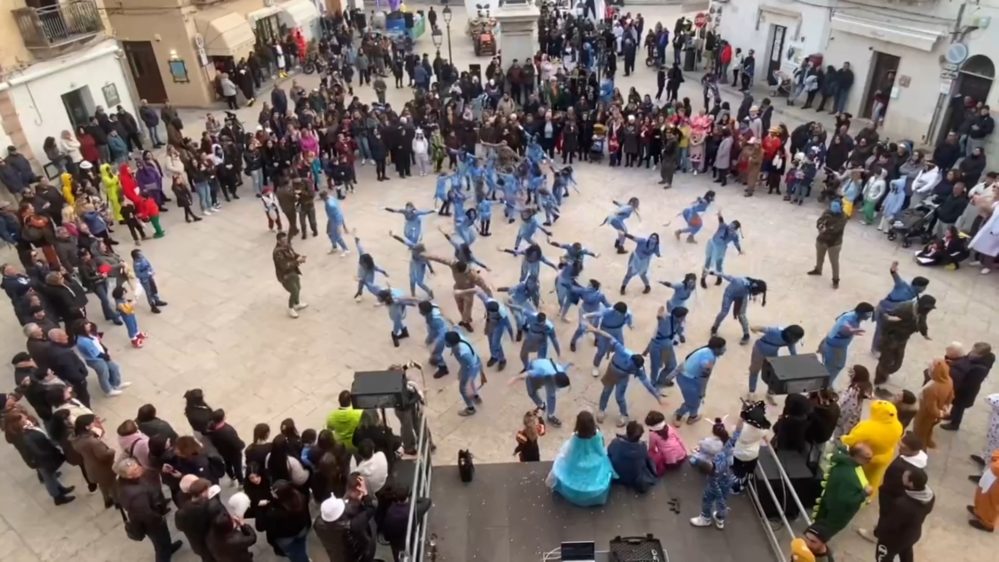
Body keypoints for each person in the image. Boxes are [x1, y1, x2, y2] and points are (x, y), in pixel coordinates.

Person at [856, 431, 927, 543]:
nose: (899, 447)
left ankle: (877, 534)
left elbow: (893, 484)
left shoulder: (903, 467)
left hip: (891, 495)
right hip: (896, 494)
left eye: (903, 447)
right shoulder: (916, 459)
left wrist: (883, 490)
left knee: (886, 514)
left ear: (912, 450)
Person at [586, 324, 663, 427]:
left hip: (622, 378)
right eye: (632, 365)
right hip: (611, 372)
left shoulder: (638, 369)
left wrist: (657, 396)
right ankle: (601, 410)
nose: (632, 367)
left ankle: (624, 415)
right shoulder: (622, 351)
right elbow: (609, 337)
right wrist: (595, 330)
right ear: (631, 359)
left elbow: (647, 384)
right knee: (606, 392)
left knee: (619, 397)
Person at [116, 457, 184, 560]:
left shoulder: (125, 481)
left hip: (152, 512)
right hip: (153, 524)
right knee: (161, 546)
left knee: (164, 539)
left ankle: (169, 547)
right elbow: (147, 515)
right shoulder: (136, 495)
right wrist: (159, 519)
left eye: (137, 466)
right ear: (129, 476)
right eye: (135, 470)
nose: (139, 469)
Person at [546, 410, 616, 507]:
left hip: (577, 460)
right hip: (593, 461)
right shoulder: (597, 436)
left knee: (561, 461)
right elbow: (600, 451)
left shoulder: (575, 437)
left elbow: (569, 452)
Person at [875, 294, 936, 396]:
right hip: (891, 338)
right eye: (927, 308)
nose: (928, 311)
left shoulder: (921, 312)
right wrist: (887, 334)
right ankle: (879, 382)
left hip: (903, 338)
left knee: (897, 363)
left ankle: (885, 373)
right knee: (886, 360)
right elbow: (886, 320)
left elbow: (922, 321)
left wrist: (924, 333)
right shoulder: (904, 308)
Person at [811, 443, 873, 538]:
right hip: (835, 514)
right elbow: (848, 500)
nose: (870, 461)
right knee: (823, 532)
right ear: (857, 456)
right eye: (867, 458)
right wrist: (864, 493)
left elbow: (840, 446)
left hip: (827, 501)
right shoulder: (852, 478)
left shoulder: (841, 461)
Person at [690, 417, 742, 530]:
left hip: (719, 484)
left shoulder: (713, 478)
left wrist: (722, 504)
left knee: (708, 499)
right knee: (722, 500)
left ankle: (705, 518)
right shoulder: (724, 452)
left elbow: (717, 492)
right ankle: (720, 519)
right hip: (728, 480)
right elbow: (735, 437)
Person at [873, 468, 934, 562]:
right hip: (913, 533)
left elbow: (891, 524)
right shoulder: (930, 496)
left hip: (893, 538)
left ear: (911, 483)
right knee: (905, 552)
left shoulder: (903, 505)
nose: (902, 476)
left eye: (905, 476)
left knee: (883, 557)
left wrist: (879, 531)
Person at [672, 336, 727, 426]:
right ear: (716, 349)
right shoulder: (709, 360)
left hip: (688, 377)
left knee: (696, 399)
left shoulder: (705, 349)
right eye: (723, 348)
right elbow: (704, 378)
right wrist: (702, 391)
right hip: (688, 381)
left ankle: (693, 416)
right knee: (691, 402)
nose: (725, 350)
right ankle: (678, 414)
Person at [943, 342, 995, 430]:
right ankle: (951, 415)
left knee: (959, 407)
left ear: (981, 355)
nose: (971, 353)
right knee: (956, 404)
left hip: (966, 391)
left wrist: (956, 385)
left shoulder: (980, 369)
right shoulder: (974, 358)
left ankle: (955, 424)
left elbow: (970, 382)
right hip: (962, 386)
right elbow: (965, 361)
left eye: (975, 352)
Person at [818, 302, 874, 385]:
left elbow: (838, 319)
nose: (869, 316)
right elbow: (844, 326)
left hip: (833, 344)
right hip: (835, 348)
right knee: (835, 367)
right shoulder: (850, 320)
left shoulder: (851, 314)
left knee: (830, 365)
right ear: (861, 313)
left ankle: (825, 383)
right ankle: (825, 386)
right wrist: (850, 330)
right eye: (868, 314)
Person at [256, 480, 312, 562]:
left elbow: (260, 527)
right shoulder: (300, 497)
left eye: (274, 493)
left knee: (293, 554)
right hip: (301, 529)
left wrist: (259, 509)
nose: (271, 493)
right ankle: (304, 557)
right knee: (301, 546)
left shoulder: (274, 514)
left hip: (285, 538)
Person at [746, 324, 804, 401]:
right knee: (754, 371)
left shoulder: (790, 342)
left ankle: (770, 393)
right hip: (759, 351)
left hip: (772, 355)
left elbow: (793, 352)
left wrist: (797, 362)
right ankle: (751, 392)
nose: (796, 341)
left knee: (774, 374)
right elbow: (761, 328)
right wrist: (755, 328)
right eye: (796, 338)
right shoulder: (775, 331)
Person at [508, 358, 571, 427]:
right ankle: (541, 405)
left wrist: (569, 364)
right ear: (554, 380)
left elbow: (565, 366)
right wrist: (515, 378)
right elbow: (528, 373)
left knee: (551, 395)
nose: (557, 389)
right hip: (534, 367)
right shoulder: (541, 371)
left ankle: (550, 416)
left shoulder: (560, 370)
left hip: (548, 374)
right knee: (531, 392)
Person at [912, 358, 954, 449]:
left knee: (919, 433)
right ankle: (928, 441)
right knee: (929, 429)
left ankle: (920, 450)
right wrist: (945, 408)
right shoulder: (949, 380)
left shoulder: (932, 389)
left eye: (930, 369)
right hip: (936, 414)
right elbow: (951, 396)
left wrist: (941, 413)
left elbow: (931, 408)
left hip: (925, 415)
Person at [607, 421, 658, 493]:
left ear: (627, 431)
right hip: (634, 476)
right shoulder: (642, 446)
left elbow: (609, 452)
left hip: (617, 474)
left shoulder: (616, 443)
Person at [807, 199, 848, 288]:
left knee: (834, 262)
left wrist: (825, 229)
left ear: (841, 207)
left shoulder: (843, 216)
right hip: (821, 240)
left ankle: (835, 279)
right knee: (819, 257)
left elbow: (836, 229)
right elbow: (819, 221)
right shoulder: (827, 212)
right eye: (833, 206)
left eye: (836, 206)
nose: (834, 208)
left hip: (834, 243)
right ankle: (818, 270)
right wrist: (820, 225)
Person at [272, 232, 308, 318]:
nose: (285, 242)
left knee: (298, 287)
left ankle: (297, 303)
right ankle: (291, 308)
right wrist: (297, 262)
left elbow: (293, 254)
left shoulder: (287, 246)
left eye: (286, 239)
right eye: (283, 240)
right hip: (285, 275)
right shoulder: (277, 253)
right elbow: (284, 266)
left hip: (293, 271)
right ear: (278, 241)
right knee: (294, 290)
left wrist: (299, 257)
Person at [970, 450, 999, 532]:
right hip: (995, 468)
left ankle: (987, 523)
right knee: (982, 491)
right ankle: (979, 511)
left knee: (991, 500)